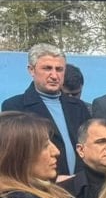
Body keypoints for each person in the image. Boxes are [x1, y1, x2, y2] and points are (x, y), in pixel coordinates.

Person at [2, 44, 91, 174]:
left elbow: (87, 147)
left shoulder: (78, 107)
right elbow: (15, 155)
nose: (54, 76)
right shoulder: (15, 106)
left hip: (79, 187)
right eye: (47, 68)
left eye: (59, 69)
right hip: (40, 187)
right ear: (31, 70)